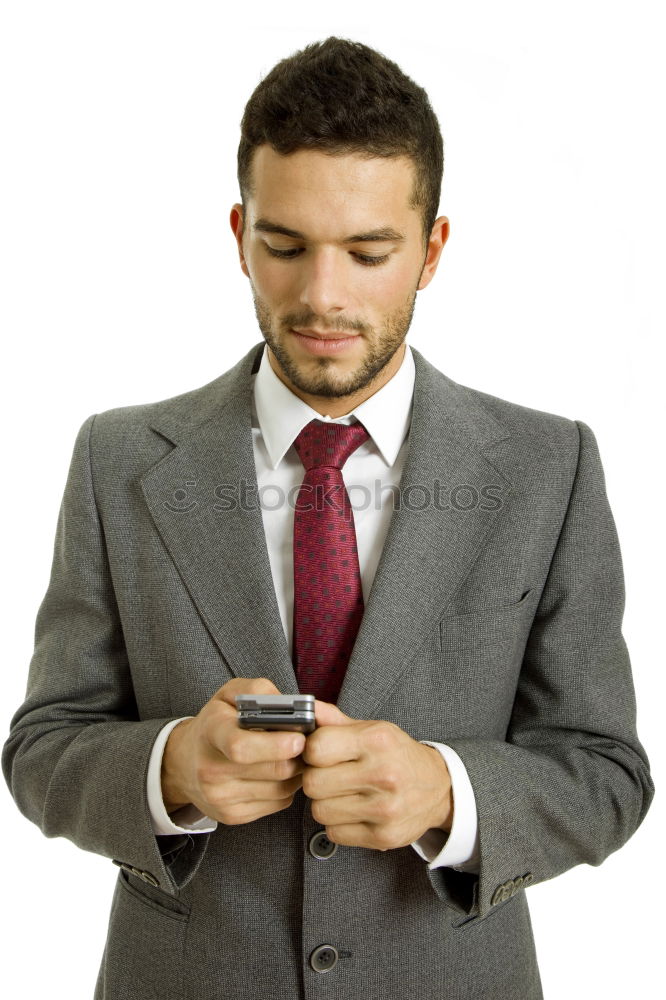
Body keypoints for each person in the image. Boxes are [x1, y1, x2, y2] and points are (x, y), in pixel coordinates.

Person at [2, 36, 654, 1000]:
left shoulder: (549, 468)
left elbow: (606, 773)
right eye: (285, 246)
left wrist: (449, 792)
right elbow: (45, 746)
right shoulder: (119, 458)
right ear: (238, 235)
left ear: (431, 250)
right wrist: (170, 767)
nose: (322, 297)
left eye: (368, 252)